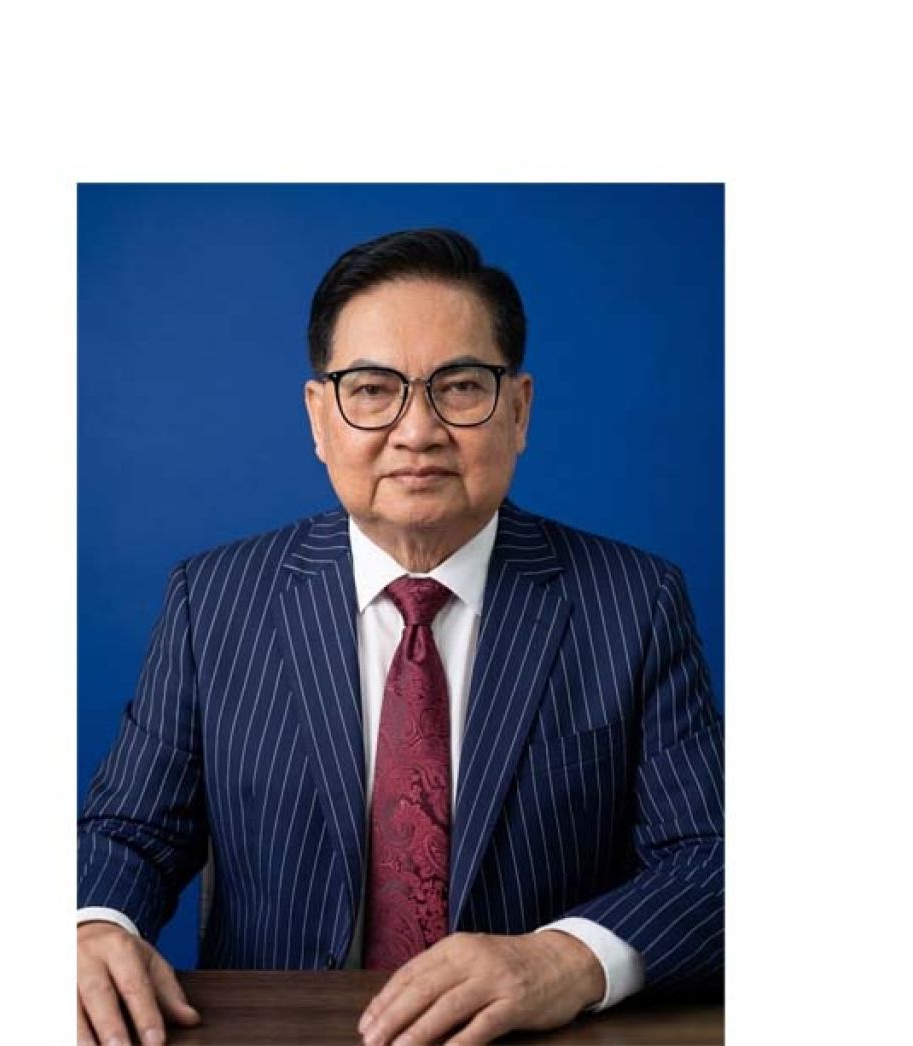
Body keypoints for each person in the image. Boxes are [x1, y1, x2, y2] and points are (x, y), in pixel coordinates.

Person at [77, 228, 724, 1045]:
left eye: (461, 387)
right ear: (319, 418)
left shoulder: (632, 601)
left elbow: (713, 857)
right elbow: (128, 830)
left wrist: (565, 958)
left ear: (519, 410)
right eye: (374, 390)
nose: (418, 431)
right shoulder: (213, 601)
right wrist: (91, 924)